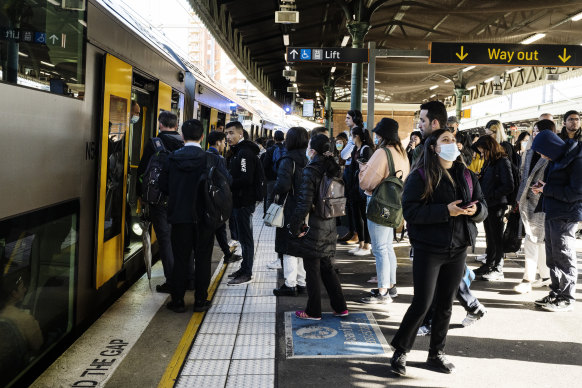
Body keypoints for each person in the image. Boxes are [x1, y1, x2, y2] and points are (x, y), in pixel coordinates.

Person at [390, 129, 487, 376]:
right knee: (422, 302)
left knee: (446, 303)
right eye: (445, 140)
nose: (452, 144)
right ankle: (401, 351)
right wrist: (446, 211)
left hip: (458, 248)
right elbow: (410, 213)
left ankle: (436, 354)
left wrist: (473, 212)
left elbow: (483, 207)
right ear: (433, 147)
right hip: (429, 249)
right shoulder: (420, 176)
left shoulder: (466, 175)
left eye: (453, 140)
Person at [159, 119, 226, 313]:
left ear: (182, 135)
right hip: (204, 217)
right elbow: (223, 185)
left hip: (179, 217)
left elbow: (163, 186)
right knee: (203, 258)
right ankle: (200, 301)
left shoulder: (171, 158)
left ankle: (178, 301)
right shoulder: (211, 159)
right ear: (203, 137)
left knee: (180, 259)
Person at [287, 134, 348, 320]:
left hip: (314, 225)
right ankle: (340, 307)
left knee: (312, 268)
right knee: (326, 266)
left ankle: (313, 311)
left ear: (312, 151)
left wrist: (294, 226)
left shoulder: (311, 170)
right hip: (329, 223)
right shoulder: (333, 168)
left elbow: (304, 203)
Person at [359, 118, 410, 303]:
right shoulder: (401, 153)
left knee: (380, 249)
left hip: (379, 204)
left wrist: (362, 169)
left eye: (377, 133)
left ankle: (382, 293)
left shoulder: (382, 152)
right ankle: (390, 286)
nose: (376, 136)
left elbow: (367, 182)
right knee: (388, 247)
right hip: (395, 205)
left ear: (382, 135)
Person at [531, 129, 582, 312]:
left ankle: (567, 297)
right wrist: (543, 187)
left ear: (550, 147)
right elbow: (554, 185)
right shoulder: (557, 158)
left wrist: (547, 190)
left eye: (542, 151)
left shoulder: (577, 160)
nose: (542, 156)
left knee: (564, 255)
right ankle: (556, 292)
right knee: (553, 256)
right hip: (553, 212)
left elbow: (576, 193)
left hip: (566, 214)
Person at [137, 111, 184, 293]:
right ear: (175, 125)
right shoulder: (183, 142)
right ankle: (185, 278)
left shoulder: (154, 143)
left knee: (165, 241)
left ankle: (171, 281)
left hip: (158, 200)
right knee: (178, 239)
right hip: (179, 200)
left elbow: (142, 171)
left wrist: (140, 196)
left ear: (160, 124)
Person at [513, 120, 555, 294]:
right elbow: (523, 176)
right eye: (535, 131)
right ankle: (546, 277)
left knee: (532, 239)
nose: (535, 134)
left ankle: (527, 279)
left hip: (543, 203)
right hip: (526, 201)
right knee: (538, 240)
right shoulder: (529, 152)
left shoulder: (553, 154)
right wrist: (518, 199)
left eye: (539, 131)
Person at [270, 127, 309, 296]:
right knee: (300, 244)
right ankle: (301, 282)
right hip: (304, 206)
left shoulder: (288, 160)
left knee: (288, 245)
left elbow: (283, 185)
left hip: (290, 207)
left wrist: (274, 192)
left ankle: (289, 284)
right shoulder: (308, 159)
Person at [473, 136, 514, 280]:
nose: (482, 154)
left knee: (497, 237)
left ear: (490, 148)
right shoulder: (489, 161)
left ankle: (498, 268)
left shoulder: (502, 161)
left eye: (483, 151)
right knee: (490, 237)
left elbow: (509, 185)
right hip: (488, 204)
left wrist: (492, 194)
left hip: (497, 204)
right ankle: (488, 264)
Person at [225, 121, 260, 285]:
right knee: (243, 238)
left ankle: (247, 272)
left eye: (232, 133)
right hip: (239, 200)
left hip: (244, 201)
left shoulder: (244, 152)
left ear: (241, 134)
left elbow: (246, 178)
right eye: (226, 134)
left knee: (246, 239)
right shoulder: (239, 151)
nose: (228, 137)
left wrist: (228, 183)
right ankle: (244, 267)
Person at [207, 131, 239, 264]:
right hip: (217, 198)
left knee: (217, 228)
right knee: (219, 226)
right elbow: (227, 179)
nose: (224, 144)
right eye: (223, 141)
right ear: (218, 142)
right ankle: (226, 254)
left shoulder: (203, 155)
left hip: (206, 196)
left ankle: (227, 253)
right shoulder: (219, 159)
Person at [347, 126, 374, 256]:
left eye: (351, 135)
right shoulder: (354, 149)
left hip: (362, 187)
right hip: (354, 186)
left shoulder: (366, 149)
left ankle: (367, 244)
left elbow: (367, 168)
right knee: (356, 215)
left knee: (364, 215)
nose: (350, 137)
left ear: (356, 136)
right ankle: (361, 243)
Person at [339, 111, 364, 244]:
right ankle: (352, 230)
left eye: (348, 118)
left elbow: (344, 154)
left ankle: (357, 233)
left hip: (354, 172)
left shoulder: (357, 133)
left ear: (355, 118)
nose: (345, 120)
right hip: (351, 171)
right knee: (350, 203)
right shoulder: (352, 133)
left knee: (354, 204)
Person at [411, 101, 448, 166]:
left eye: (423, 121)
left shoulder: (420, 151)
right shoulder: (455, 148)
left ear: (434, 123)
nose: (419, 125)